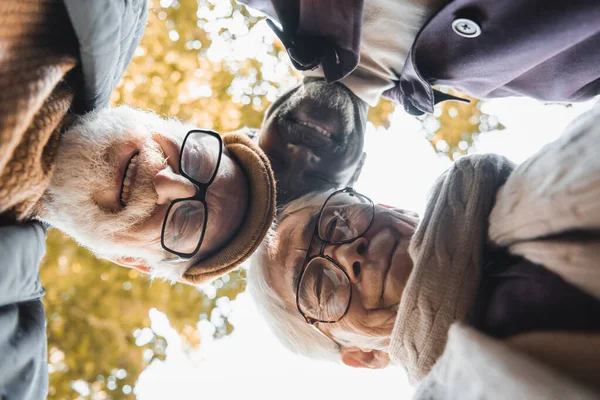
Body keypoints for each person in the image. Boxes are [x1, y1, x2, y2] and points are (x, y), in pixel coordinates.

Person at [248, 105, 600, 398]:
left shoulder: (527, 181)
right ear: (364, 356)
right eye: (321, 288)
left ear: (388, 205)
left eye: (338, 223)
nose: (347, 254)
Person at [238, 0, 600, 203]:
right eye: (317, 178)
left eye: (274, 163)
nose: (301, 154)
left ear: (254, 137)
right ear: (357, 171)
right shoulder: (555, 77)